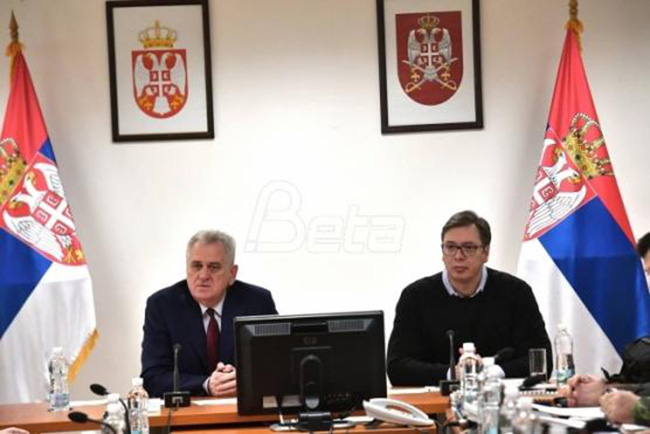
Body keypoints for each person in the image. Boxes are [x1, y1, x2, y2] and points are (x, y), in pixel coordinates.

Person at [387, 210, 552, 386]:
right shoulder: (415, 296)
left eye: (469, 248)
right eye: (450, 247)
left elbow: (542, 362)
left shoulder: (516, 292)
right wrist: (454, 373)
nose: (458, 256)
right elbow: (397, 367)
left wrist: (489, 372)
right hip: (434, 403)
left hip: (501, 399)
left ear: (485, 253)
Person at [141, 230, 277, 398]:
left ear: (232, 273)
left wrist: (241, 380)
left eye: (214, 267)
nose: (203, 275)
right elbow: (153, 377)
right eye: (196, 266)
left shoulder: (257, 302)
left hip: (240, 408)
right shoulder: (162, 305)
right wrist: (207, 384)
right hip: (188, 412)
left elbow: (277, 366)